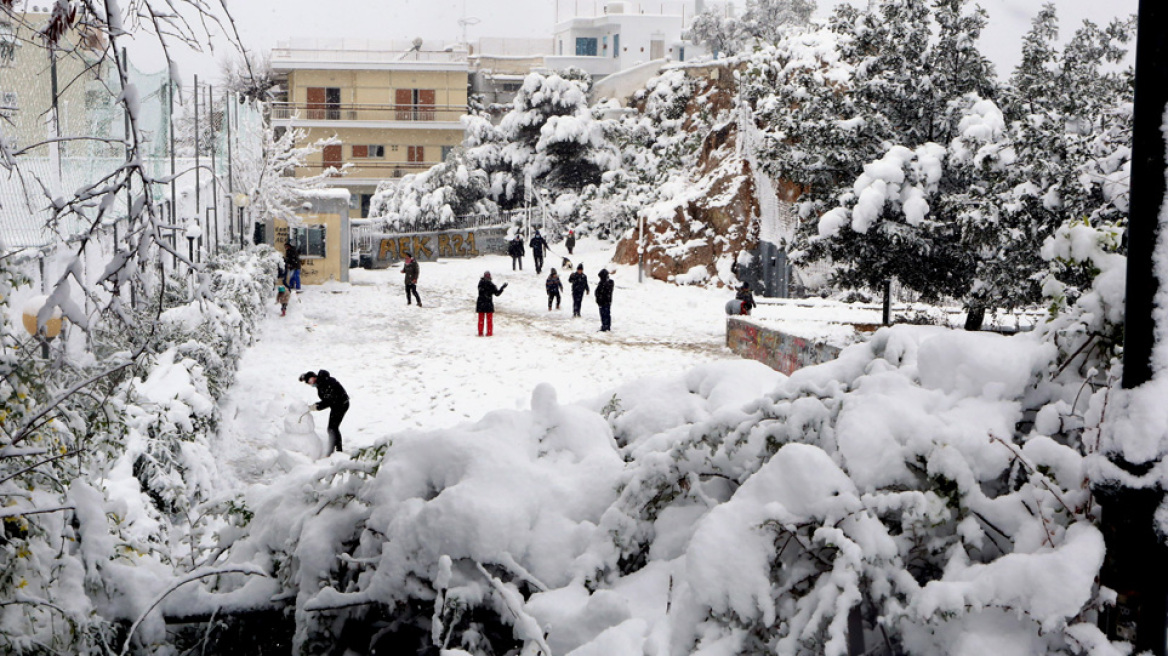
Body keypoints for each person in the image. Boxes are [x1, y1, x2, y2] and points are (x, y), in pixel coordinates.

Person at [299, 370, 349, 455]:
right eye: (309, 383)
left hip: (341, 404)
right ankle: (334, 449)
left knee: (332, 428)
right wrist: (317, 405)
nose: (311, 383)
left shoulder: (325, 382)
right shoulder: (321, 383)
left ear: (315, 376)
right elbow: (327, 400)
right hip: (336, 405)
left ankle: (337, 450)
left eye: (311, 380)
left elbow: (330, 399)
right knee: (332, 428)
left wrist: (317, 406)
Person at [476, 271, 508, 336]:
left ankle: (481, 333)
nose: (487, 277)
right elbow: (497, 293)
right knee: (488, 320)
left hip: (481, 303)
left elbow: (496, 293)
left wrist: (502, 288)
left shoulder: (481, 283)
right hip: (488, 303)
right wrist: (502, 288)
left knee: (482, 320)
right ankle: (488, 333)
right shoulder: (490, 284)